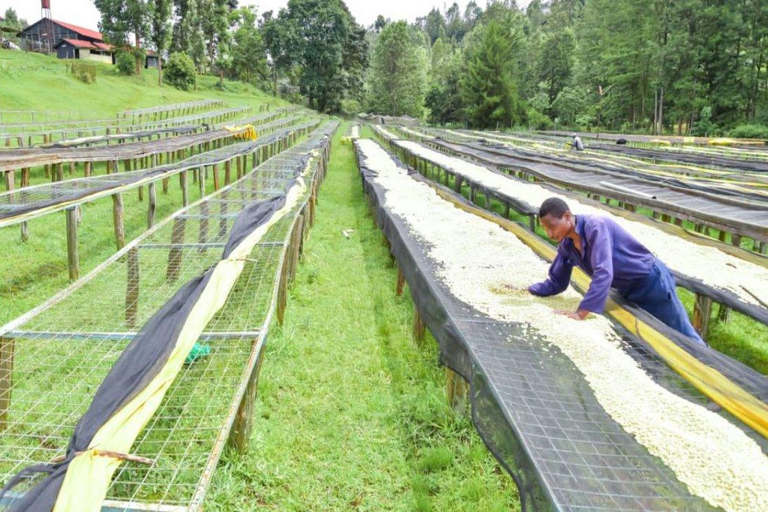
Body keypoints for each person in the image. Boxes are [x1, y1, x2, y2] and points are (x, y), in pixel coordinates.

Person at [527, 197, 705, 345]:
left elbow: (603, 272)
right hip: (626, 288)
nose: (550, 234)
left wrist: (581, 313)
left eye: (551, 227)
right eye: (545, 229)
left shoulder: (595, 227)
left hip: (651, 283)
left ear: (567, 216)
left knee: (682, 334)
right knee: (640, 339)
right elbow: (557, 281)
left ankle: (716, 376)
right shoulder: (567, 245)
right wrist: (529, 290)